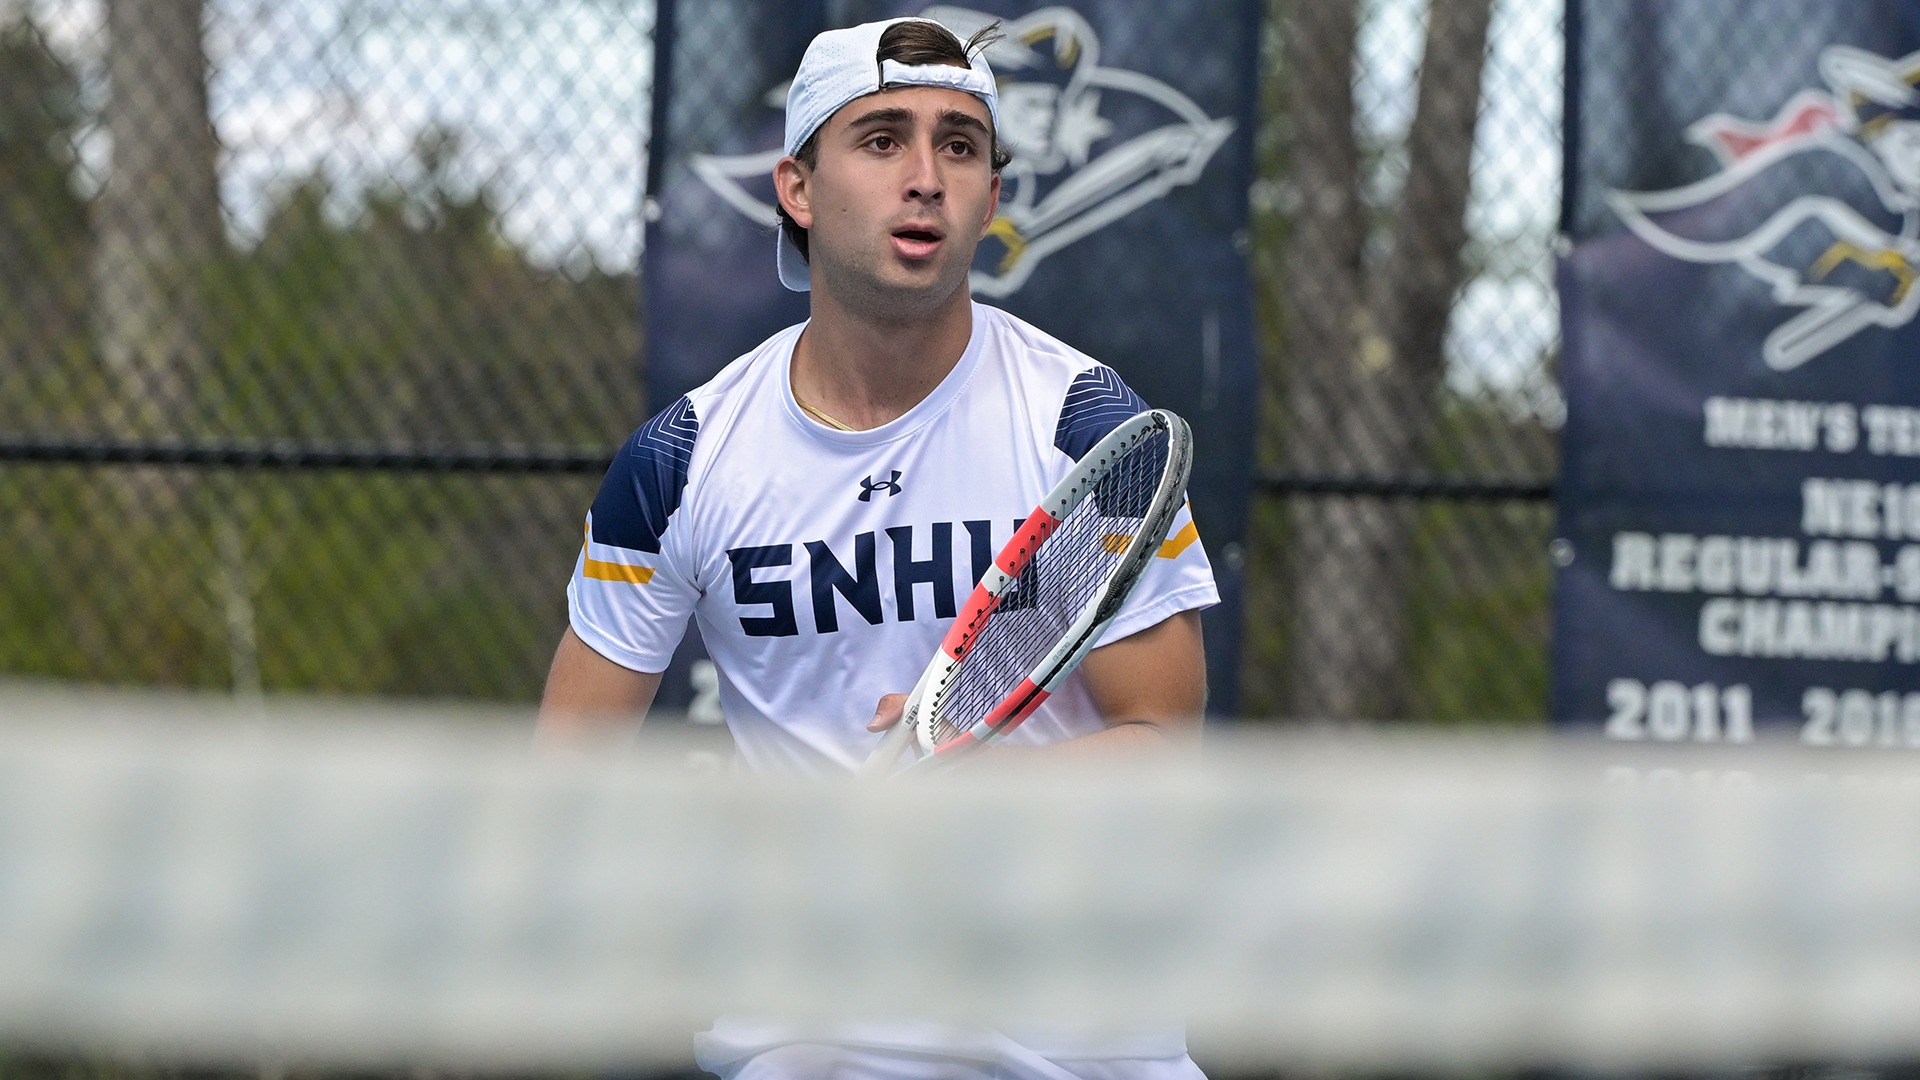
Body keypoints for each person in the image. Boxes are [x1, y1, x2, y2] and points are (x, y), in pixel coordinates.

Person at [538, 15, 1217, 1080]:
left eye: (959, 146)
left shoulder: (1088, 426)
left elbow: (1165, 744)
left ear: (992, 198)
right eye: (882, 138)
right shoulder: (679, 461)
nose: (926, 178)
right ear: (798, 188)